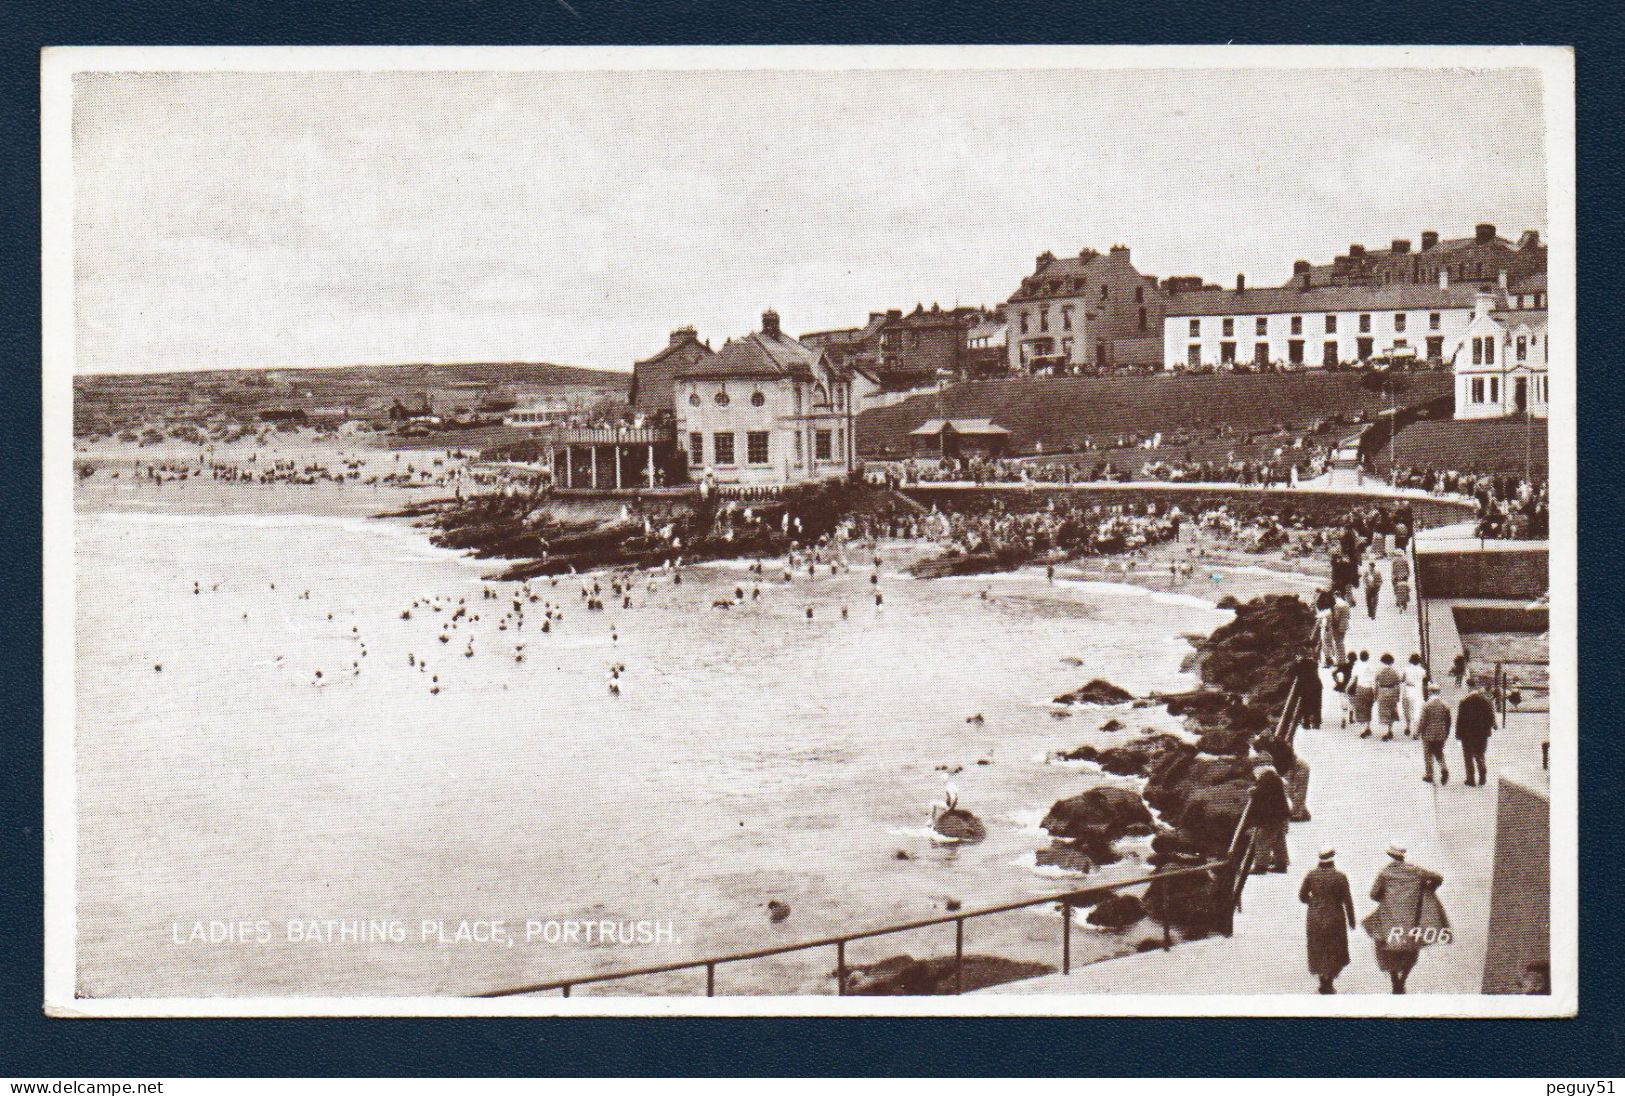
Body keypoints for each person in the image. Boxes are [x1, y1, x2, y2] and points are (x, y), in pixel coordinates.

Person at [1363, 843, 1448, 994]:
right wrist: (1427, 889)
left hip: (1388, 917)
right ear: (1403, 855)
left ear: (1390, 855)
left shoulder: (1385, 873)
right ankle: (1402, 981)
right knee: (1411, 949)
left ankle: (1394, 978)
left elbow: (1373, 895)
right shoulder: (1415, 871)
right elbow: (1438, 878)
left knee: (1385, 947)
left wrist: (1388, 898)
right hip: (1411, 918)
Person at [1299, 848, 1357, 994]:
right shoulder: (1340, 877)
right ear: (1332, 860)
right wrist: (1351, 920)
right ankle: (1329, 980)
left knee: (1317, 946)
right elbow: (1347, 900)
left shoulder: (1311, 875)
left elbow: (1302, 896)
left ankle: (1322, 979)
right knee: (1334, 948)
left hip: (1315, 916)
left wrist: (1314, 902)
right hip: (1335, 916)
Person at [1247, 761, 1292, 874]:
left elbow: (1262, 792)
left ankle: (1260, 866)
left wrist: (1253, 791)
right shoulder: (1273, 777)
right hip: (1279, 815)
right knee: (1278, 840)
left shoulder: (1267, 778)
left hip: (1271, 817)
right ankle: (1281, 864)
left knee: (1263, 839)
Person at [1456, 684, 1498, 787]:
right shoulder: (1486, 700)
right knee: (1480, 752)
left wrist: (1458, 733)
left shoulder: (1464, 701)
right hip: (1482, 733)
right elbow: (1491, 715)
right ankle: (1482, 768)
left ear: (1470, 689)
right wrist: (1492, 725)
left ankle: (1471, 779)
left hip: (1467, 733)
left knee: (1468, 755)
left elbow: (1460, 719)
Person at [1417, 682, 1453, 784]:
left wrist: (1417, 732)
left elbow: (1422, 721)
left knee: (1428, 754)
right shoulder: (1445, 705)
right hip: (1441, 733)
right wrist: (1446, 732)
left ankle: (1429, 775)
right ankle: (1444, 768)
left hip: (1428, 734)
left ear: (1430, 692)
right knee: (1439, 753)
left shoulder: (1426, 705)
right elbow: (1448, 721)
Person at [1374, 653, 1402, 741]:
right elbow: (1398, 684)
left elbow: (1376, 683)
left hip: (1382, 691)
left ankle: (1386, 731)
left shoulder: (1379, 671)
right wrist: (1398, 695)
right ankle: (1390, 729)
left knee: (1383, 711)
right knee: (1391, 710)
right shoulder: (1395, 671)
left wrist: (1375, 695)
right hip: (1392, 691)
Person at [1400, 653, 1429, 736]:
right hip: (1418, 691)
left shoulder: (1407, 669)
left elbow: (1402, 679)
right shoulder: (1422, 671)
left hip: (1408, 690)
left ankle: (1408, 726)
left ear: (1410, 661)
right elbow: (1425, 681)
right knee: (1416, 710)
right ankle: (1415, 731)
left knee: (1407, 709)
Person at [1293, 655, 1324, 732]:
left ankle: (1306, 723)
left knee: (1305, 704)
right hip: (1316, 685)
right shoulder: (1311, 662)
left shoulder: (1298, 665)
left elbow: (1293, 673)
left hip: (1306, 687)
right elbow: (1315, 665)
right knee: (1316, 704)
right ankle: (1316, 722)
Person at [1352, 650, 1377, 738]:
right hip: (1369, 689)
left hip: (1360, 688)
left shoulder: (1357, 666)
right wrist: (1375, 692)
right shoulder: (1371, 666)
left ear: (1360, 657)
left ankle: (1363, 729)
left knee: (1360, 708)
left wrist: (1348, 687)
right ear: (1368, 657)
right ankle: (1368, 727)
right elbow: (1374, 680)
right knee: (1368, 708)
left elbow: (1353, 679)